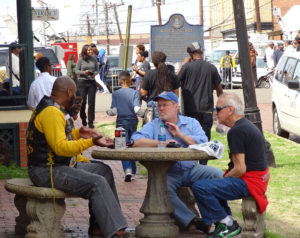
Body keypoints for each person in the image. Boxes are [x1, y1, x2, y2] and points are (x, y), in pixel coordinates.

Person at [26, 76, 129, 238]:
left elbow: (57, 138)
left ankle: (99, 227)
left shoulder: (52, 108)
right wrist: (90, 142)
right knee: (97, 182)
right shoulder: (51, 113)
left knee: (103, 171)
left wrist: (78, 133)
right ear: (69, 92)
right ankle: (115, 231)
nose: (76, 100)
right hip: (46, 171)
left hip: (57, 166)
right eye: (75, 95)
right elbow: (60, 148)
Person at [131, 91, 224, 233]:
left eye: (165, 105)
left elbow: (204, 144)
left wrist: (180, 135)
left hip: (191, 169)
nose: (160, 108)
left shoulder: (191, 123)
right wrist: (161, 142)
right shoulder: (154, 125)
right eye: (159, 105)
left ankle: (222, 220)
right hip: (167, 173)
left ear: (175, 107)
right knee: (161, 187)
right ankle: (192, 221)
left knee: (219, 175)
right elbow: (135, 141)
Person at [192, 92, 270, 238]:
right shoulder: (245, 125)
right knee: (214, 184)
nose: (215, 113)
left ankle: (227, 224)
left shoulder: (237, 131)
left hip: (250, 182)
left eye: (218, 109)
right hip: (258, 179)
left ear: (230, 110)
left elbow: (240, 169)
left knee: (200, 187)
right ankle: (222, 221)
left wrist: (222, 180)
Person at [177, 42, 223, 165]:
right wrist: (220, 103)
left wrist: (183, 64)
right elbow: (219, 88)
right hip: (206, 109)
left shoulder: (186, 67)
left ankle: (191, 165)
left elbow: (175, 81)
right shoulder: (211, 67)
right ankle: (203, 165)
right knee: (205, 138)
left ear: (191, 55)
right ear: (201, 53)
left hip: (190, 109)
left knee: (190, 137)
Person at [107, 71, 141, 182]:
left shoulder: (116, 94)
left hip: (120, 123)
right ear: (130, 81)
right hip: (133, 122)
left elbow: (114, 111)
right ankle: (134, 171)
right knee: (132, 145)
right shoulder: (135, 93)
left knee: (121, 146)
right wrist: (145, 115)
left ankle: (127, 170)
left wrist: (108, 112)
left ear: (120, 81)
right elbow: (137, 109)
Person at [141, 51, 179, 119]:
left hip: (153, 105)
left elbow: (143, 92)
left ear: (153, 62)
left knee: (155, 128)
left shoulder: (149, 74)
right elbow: (176, 94)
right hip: (169, 104)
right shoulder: (172, 75)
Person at [75, 44, 99, 128]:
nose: (90, 51)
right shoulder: (80, 59)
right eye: (89, 50)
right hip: (82, 82)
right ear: (85, 51)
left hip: (92, 82)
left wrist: (94, 74)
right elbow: (76, 71)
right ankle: (83, 118)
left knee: (91, 103)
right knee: (83, 102)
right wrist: (83, 72)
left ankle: (91, 121)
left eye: (91, 50)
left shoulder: (94, 59)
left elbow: (97, 70)